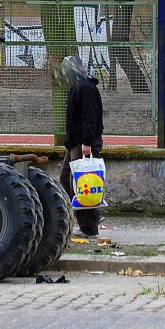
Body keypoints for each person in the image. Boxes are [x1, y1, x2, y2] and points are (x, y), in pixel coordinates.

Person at [58, 54, 104, 238]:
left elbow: (89, 118)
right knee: (67, 181)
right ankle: (79, 218)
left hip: (82, 143)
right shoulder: (79, 87)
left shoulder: (85, 88)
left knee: (82, 184)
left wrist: (87, 142)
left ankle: (89, 227)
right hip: (76, 143)